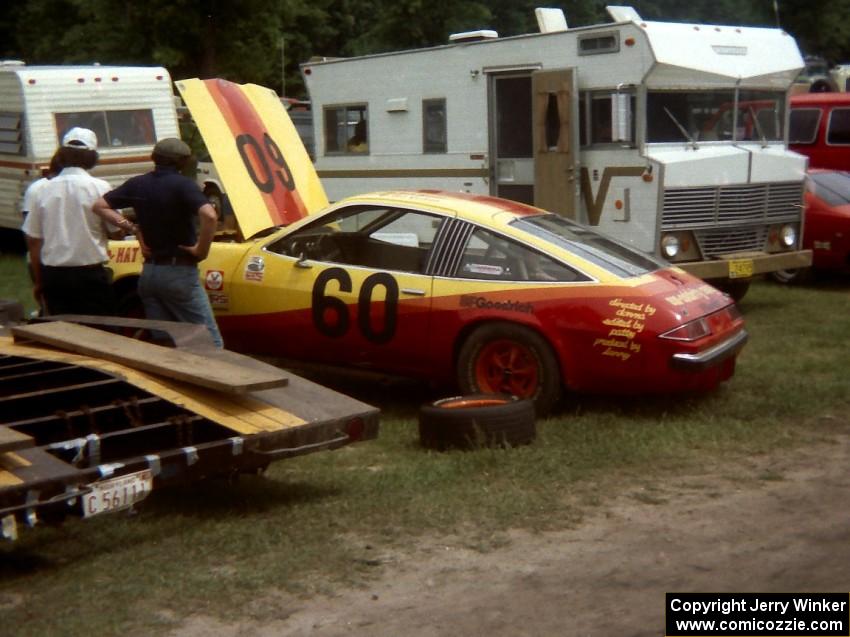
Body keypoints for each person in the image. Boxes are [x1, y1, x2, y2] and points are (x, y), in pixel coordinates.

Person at [93, 138, 224, 348]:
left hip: (149, 274)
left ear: (155, 158)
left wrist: (132, 228)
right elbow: (209, 216)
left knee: (164, 344)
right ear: (182, 162)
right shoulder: (183, 185)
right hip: (179, 273)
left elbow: (100, 206)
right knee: (210, 343)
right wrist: (201, 249)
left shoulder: (138, 183)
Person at [22, 127, 134, 316]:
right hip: (89, 275)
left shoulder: (42, 190)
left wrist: (40, 282)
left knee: (61, 331)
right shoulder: (100, 188)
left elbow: (34, 240)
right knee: (99, 331)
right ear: (92, 157)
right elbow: (115, 231)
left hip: (54, 275)